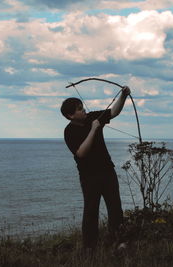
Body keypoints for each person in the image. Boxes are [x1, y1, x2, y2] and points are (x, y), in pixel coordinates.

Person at [60, 86, 131, 250]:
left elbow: (113, 112)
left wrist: (123, 96)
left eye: (82, 107)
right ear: (70, 115)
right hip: (89, 176)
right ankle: (90, 247)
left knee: (115, 208)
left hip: (107, 171)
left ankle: (117, 241)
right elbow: (81, 153)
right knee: (91, 210)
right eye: (79, 109)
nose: (83, 110)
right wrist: (93, 129)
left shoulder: (92, 117)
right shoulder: (69, 131)